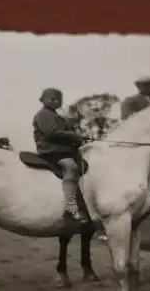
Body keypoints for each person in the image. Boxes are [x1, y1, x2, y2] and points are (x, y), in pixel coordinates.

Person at [33, 88, 88, 222]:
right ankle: (70, 207)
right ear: (42, 100)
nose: (55, 101)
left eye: (58, 99)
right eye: (52, 98)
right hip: (51, 151)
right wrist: (75, 136)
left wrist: (79, 139)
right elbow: (52, 133)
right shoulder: (44, 114)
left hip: (62, 150)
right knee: (71, 167)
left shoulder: (56, 115)